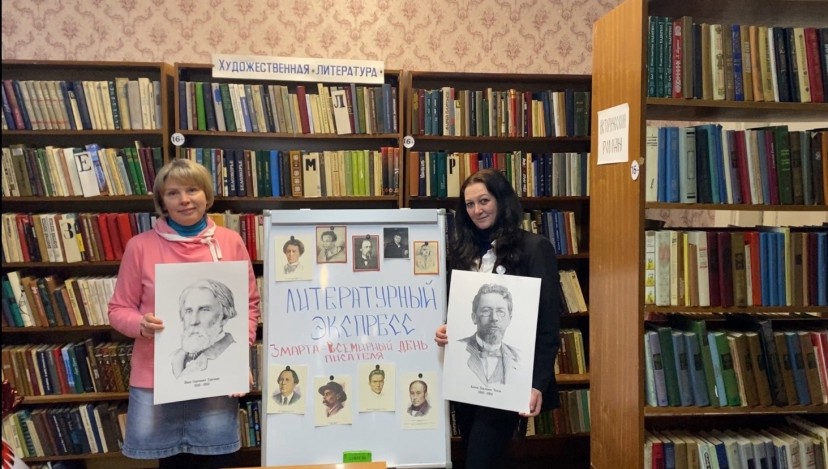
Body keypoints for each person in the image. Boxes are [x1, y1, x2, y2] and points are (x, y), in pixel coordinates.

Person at [108, 159, 260, 469]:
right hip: (157, 378)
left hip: (217, 374)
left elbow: (249, 306)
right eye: (173, 193)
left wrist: (237, 357)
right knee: (172, 462)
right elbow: (117, 310)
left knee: (217, 460)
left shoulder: (230, 242)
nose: (184, 200)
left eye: (192, 190)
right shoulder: (140, 247)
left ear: (207, 195)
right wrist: (140, 324)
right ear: (162, 201)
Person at [434, 169, 562, 469]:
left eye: (484, 201)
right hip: (467, 377)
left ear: (502, 201)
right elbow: (459, 311)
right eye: (469, 204)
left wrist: (536, 385)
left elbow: (547, 326)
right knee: (481, 457)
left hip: (510, 379)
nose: (477, 210)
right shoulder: (462, 252)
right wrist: (448, 328)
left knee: (480, 460)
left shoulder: (535, 248)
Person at [170, 278, 238, 379]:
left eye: (204, 310)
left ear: (224, 316)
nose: (193, 321)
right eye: (189, 311)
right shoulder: (172, 357)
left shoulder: (235, 355)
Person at [460, 283, 520, 385]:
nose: (494, 318)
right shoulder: (456, 348)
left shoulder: (519, 357)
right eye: (486, 311)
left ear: (509, 319)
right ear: (474, 317)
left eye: (500, 311)